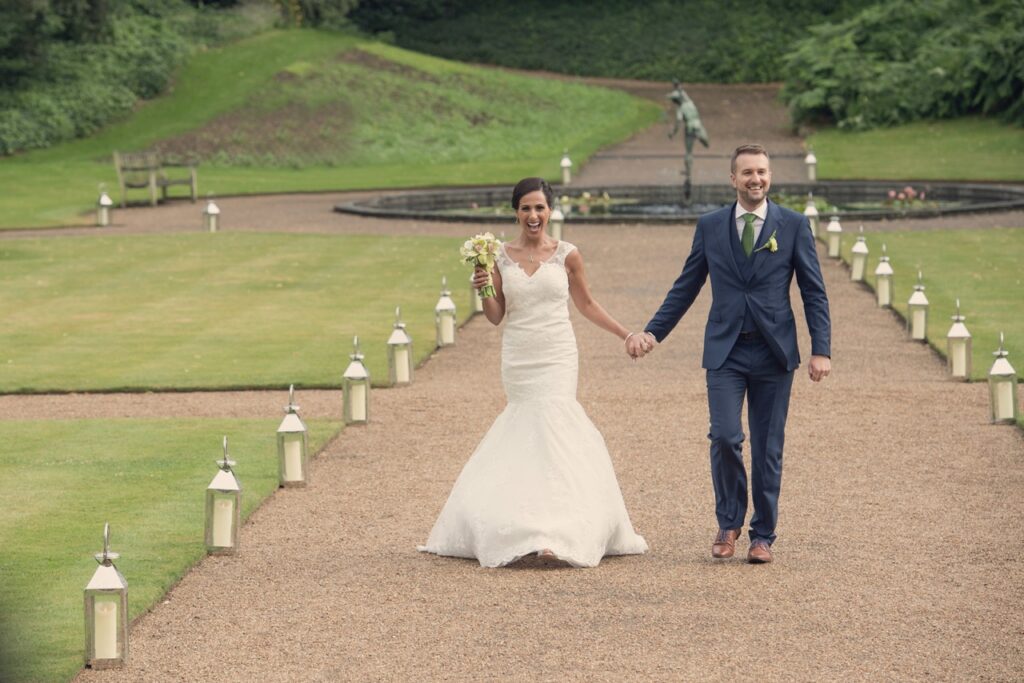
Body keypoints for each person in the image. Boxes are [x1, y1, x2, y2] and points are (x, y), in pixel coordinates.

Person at [419, 177, 648, 568]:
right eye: (526, 208)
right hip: (520, 356)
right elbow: (495, 317)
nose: (533, 215)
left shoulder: (567, 255)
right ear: (515, 212)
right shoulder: (497, 256)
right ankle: (522, 525)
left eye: (540, 207)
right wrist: (483, 288)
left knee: (556, 428)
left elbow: (587, 304)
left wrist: (626, 333)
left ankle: (556, 531)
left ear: (550, 211)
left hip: (558, 354)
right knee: (525, 428)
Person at [628, 144, 831, 564]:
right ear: (733, 179)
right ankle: (728, 522)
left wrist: (820, 350)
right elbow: (686, 286)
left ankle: (763, 535)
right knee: (724, 436)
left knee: (768, 446)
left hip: (776, 353)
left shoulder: (793, 225)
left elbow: (813, 291)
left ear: (769, 176)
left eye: (762, 172)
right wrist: (653, 332)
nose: (755, 179)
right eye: (747, 173)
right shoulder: (710, 226)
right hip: (726, 351)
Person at [667, 80, 710, 183]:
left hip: (690, 128)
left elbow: (678, 123)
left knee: (688, 152)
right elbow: (682, 92)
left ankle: (688, 171)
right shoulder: (690, 102)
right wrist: (677, 86)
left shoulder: (681, 109)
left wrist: (672, 133)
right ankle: (701, 138)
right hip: (698, 125)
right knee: (706, 143)